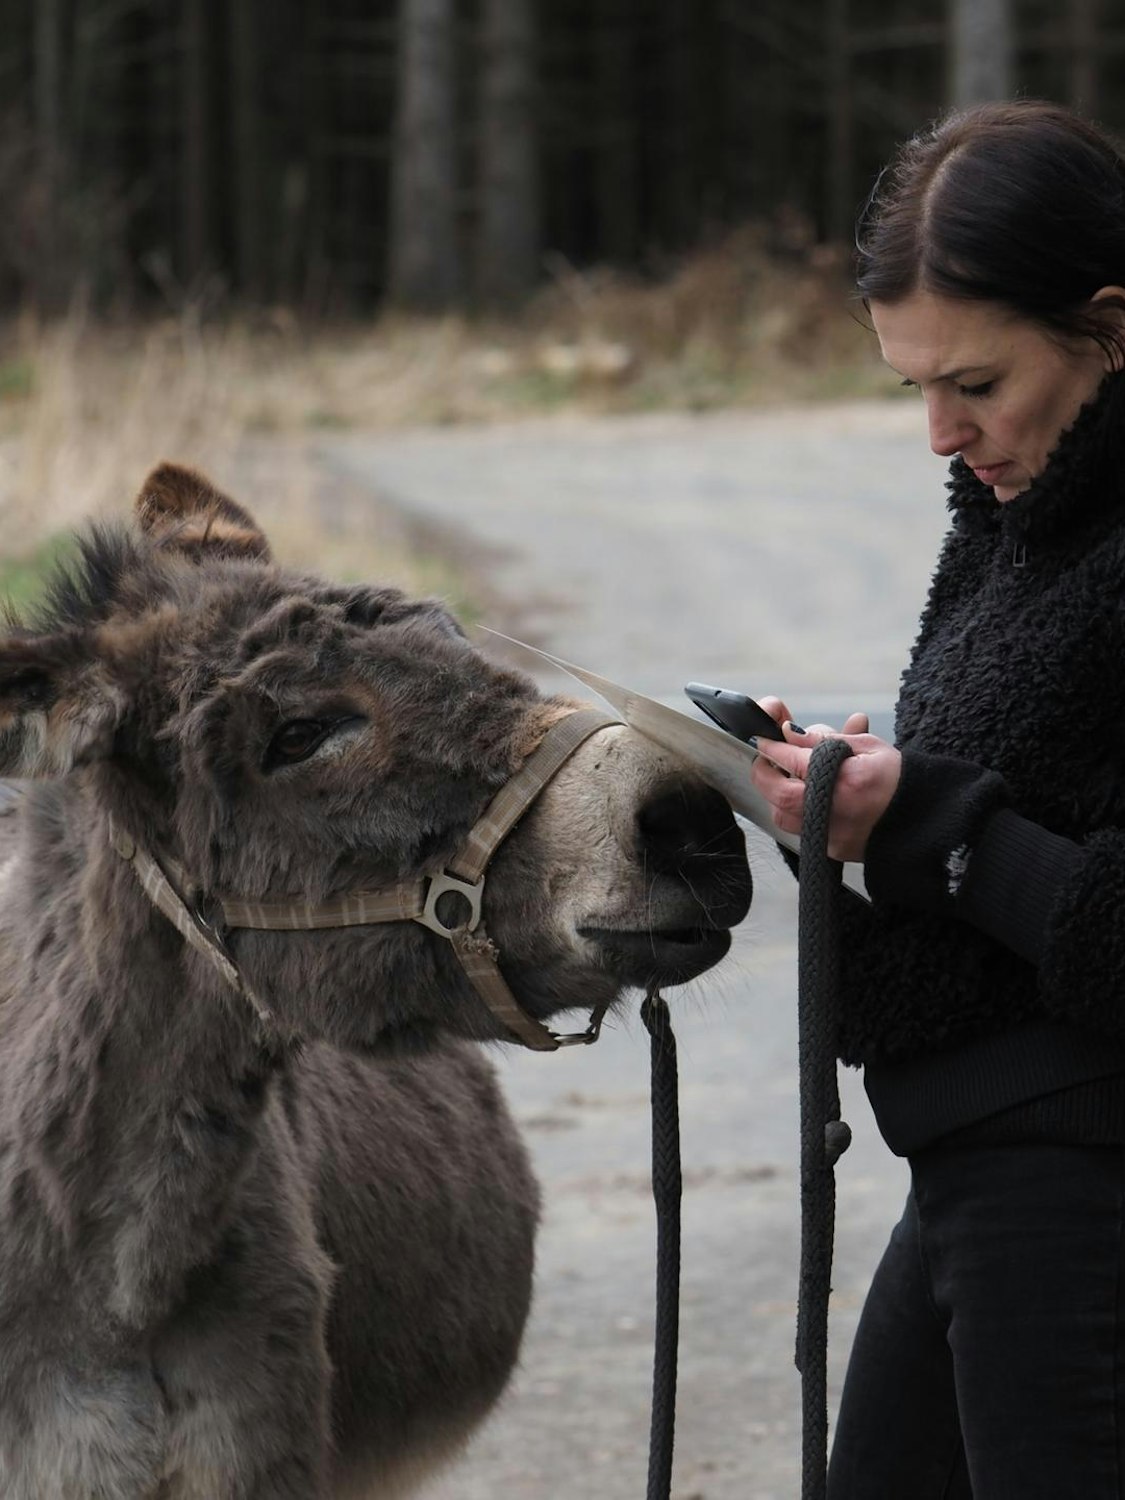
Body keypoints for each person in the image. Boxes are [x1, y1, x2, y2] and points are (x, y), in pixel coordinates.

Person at [750, 99, 1125, 1498]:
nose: (938, 432)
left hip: (1081, 1189)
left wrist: (925, 826)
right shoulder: (1021, 523)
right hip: (982, 1165)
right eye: (908, 384)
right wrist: (848, 799)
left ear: (1109, 327)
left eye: (970, 379)